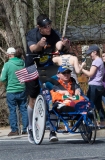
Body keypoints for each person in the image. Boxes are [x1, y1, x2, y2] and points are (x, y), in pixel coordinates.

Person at [25, 14, 70, 144]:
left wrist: (63, 44)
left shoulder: (54, 33)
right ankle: (30, 128)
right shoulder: (32, 34)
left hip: (48, 65)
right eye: (45, 26)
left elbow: (58, 46)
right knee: (33, 97)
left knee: (54, 93)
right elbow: (33, 48)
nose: (48, 28)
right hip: (32, 65)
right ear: (39, 27)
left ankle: (52, 130)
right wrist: (40, 44)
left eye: (49, 25)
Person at [49, 65, 85, 141]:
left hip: (73, 103)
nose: (66, 74)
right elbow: (55, 95)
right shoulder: (56, 84)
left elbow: (78, 94)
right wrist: (64, 94)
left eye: (68, 72)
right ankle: (52, 132)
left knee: (83, 101)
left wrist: (77, 92)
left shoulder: (74, 83)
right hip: (61, 103)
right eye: (64, 73)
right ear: (58, 74)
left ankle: (86, 123)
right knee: (53, 109)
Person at [0, 47, 28, 136]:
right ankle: (26, 129)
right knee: (23, 109)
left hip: (11, 90)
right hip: (22, 89)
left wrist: (5, 83)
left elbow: (2, 78)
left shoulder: (8, 64)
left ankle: (14, 130)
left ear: (9, 55)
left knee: (12, 110)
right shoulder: (23, 63)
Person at [81, 45, 105, 129]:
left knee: (90, 104)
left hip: (93, 86)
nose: (90, 55)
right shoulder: (100, 61)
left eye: (90, 53)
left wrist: (82, 69)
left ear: (95, 52)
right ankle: (102, 122)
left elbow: (90, 74)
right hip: (99, 86)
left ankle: (92, 122)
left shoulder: (96, 61)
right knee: (98, 104)